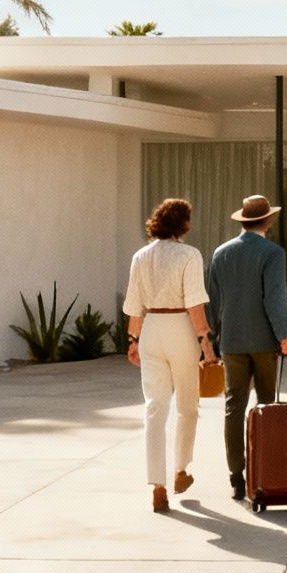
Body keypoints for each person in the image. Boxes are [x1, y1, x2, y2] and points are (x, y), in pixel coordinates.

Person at [207, 194, 287, 502]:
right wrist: (285, 337)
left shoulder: (221, 253)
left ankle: (236, 477)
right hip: (263, 341)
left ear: (243, 220)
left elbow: (214, 302)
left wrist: (212, 338)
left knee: (233, 407)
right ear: (269, 221)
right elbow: (274, 299)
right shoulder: (273, 253)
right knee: (266, 406)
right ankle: (265, 471)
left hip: (232, 341)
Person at [124, 197, 216, 513]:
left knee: (155, 407)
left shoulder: (140, 256)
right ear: (184, 225)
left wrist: (133, 339)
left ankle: (157, 484)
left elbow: (134, 304)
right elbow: (195, 304)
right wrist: (206, 342)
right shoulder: (189, 255)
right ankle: (180, 469)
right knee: (187, 405)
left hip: (151, 328)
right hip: (179, 327)